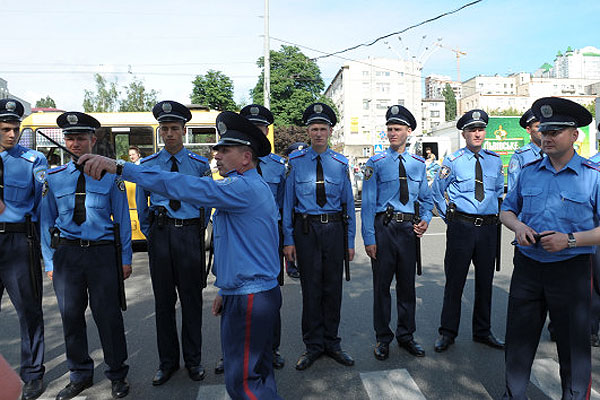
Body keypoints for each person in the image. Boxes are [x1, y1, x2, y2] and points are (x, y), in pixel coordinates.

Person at [79, 110, 283, 400]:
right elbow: (242, 248)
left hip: (250, 299)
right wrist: (225, 288)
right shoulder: (243, 188)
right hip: (249, 291)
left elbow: (184, 185)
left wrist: (121, 167)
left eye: (224, 150)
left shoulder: (243, 188)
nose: (217, 156)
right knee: (259, 375)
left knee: (244, 384)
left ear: (246, 157)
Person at [500, 97, 598, 400]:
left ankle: (574, 395)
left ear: (574, 135)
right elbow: (506, 210)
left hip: (571, 269)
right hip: (528, 266)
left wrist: (569, 240)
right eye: (544, 131)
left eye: (556, 131)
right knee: (519, 340)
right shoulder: (528, 171)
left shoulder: (593, 176)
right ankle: (514, 394)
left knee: (572, 344)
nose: (547, 137)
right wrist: (519, 227)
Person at [40, 111, 131, 400]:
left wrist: (125, 258)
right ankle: (79, 374)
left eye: (81, 138)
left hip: (102, 254)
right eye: (70, 138)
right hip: (67, 256)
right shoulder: (54, 179)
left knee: (109, 317)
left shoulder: (109, 176)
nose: (75, 143)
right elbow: (45, 222)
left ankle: (117, 375)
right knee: (70, 318)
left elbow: (123, 222)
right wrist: (49, 260)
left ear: (93, 140)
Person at [135, 101, 211, 386]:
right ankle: (167, 362)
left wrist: (193, 229)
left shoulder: (200, 165)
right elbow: (141, 203)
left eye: (174, 129)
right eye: (164, 129)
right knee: (164, 302)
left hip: (189, 236)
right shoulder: (148, 166)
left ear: (184, 131)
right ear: (160, 132)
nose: (169, 134)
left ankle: (193, 360)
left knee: (192, 301)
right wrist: (152, 231)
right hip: (162, 236)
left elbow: (206, 204)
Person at [282, 103, 356, 371]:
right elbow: (288, 204)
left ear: (330, 131)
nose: (318, 133)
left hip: (334, 230)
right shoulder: (296, 163)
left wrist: (349, 242)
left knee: (333, 289)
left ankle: (332, 343)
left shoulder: (340, 163)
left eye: (323, 128)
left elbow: (349, 205)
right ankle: (313, 345)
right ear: (308, 131)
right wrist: (288, 240)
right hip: (306, 231)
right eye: (314, 129)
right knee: (311, 289)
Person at [361, 105, 433, 361]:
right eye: (389, 129)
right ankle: (383, 338)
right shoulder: (375, 163)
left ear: (408, 132)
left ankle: (406, 335)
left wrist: (425, 220)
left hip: (408, 230)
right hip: (385, 228)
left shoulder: (418, 164)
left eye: (397, 129)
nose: (392, 133)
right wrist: (369, 238)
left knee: (407, 287)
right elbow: (368, 204)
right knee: (382, 288)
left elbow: (426, 198)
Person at [431, 109, 505, 353]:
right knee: (455, 282)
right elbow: (436, 191)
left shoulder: (495, 160)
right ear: (463, 134)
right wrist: (449, 217)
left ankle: (482, 331)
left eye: (480, 129)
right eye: (472, 130)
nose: (477, 133)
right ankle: (447, 332)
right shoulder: (452, 162)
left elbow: (497, 192)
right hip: (461, 227)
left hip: (488, 229)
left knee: (485, 281)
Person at [0, 98, 47, 400]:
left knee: (29, 311)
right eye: (5, 129)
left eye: (15, 129)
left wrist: (46, 251)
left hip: (19, 242)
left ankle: (32, 374)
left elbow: (42, 209)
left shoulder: (33, 160)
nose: (11, 134)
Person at [240, 104, 286, 370]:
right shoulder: (234, 162)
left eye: (260, 129)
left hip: (269, 238)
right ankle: (235, 350)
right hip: (241, 237)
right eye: (251, 129)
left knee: (270, 294)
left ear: (267, 132)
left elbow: (282, 206)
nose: (256, 133)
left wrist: (286, 240)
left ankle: (272, 348)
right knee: (237, 295)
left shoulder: (278, 166)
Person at [282, 142, 308, 279]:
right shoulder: (286, 169)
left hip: (302, 211)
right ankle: (290, 264)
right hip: (290, 210)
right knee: (289, 237)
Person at [507, 109, 542, 192]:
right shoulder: (520, 156)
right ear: (528, 130)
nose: (542, 130)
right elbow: (513, 190)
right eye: (538, 126)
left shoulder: (554, 154)